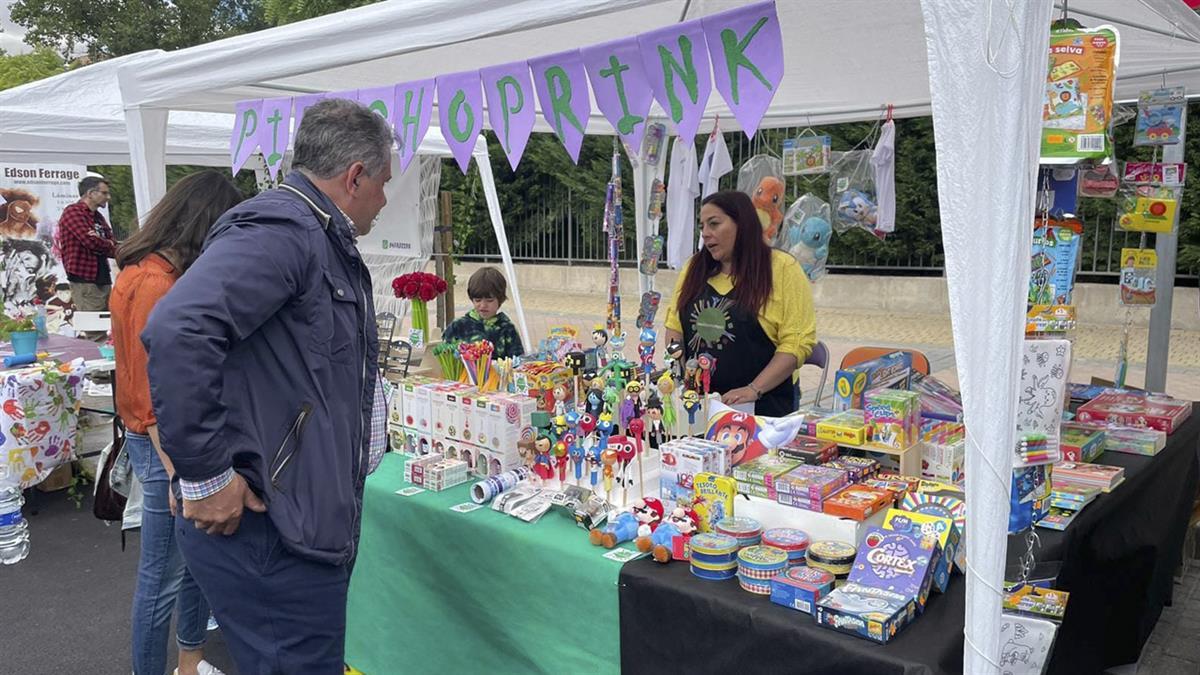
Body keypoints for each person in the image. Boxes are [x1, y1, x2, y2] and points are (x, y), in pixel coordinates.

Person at [142, 98, 392, 673]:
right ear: (354, 176)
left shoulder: (312, 233)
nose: (383, 199)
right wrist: (206, 476)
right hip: (272, 527)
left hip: (292, 520)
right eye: (382, 183)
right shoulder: (287, 228)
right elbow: (179, 329)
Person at [112, 170, 243, 675]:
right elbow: (156, 394)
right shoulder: (157, 284)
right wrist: (178, 472)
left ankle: (189, 663)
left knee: (191, 566)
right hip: (162, 443)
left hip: (156, 439)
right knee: (161, 578)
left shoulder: (137, 272)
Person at [664, 190, 816, 417]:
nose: (705, 234)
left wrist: (753, 389)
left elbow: (797, 343)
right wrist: (684, 378)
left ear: (742, 224)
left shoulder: (782, 269)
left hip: (763, 404)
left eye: (714, 224)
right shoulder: (694, 268)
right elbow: (674, 326)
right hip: (699, 403)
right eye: (702, 226)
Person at [55, 176, 118, 322]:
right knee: (94, 330)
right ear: (90, 193)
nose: (108, 197)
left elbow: (112, 245)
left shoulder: (98, 217)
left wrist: (102, 240)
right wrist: (104, 242)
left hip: (103, 277)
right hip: (85, 279)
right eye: (104, 193)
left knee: (108, 326)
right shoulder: (73, 212)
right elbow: (90, 242)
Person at [441, 266, 524, 359]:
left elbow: (518, 363)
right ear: (471, 299)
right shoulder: (458, 326)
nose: (483, 305)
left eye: (489, 300)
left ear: (501, 299)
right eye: (478, 300)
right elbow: (443, 355)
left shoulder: (507, 329)